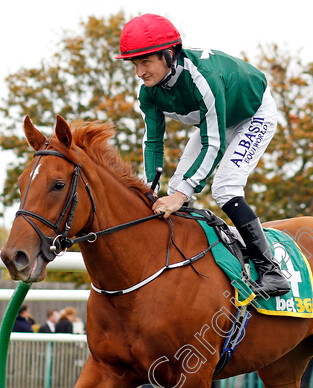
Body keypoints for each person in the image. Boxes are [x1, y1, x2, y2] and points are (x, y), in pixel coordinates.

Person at [116, 14, 290, 298]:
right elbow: (153, 141)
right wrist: (151, 187)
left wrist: (182, 195)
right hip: (218, 119)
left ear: (169, 55)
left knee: (224, 187)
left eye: (145, 62)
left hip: (252, 114)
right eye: (135, 64)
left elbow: (214, 144)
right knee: (170, 190)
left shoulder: (202, 79)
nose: (139, 72)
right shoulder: (148, 93)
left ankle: (271, 271)